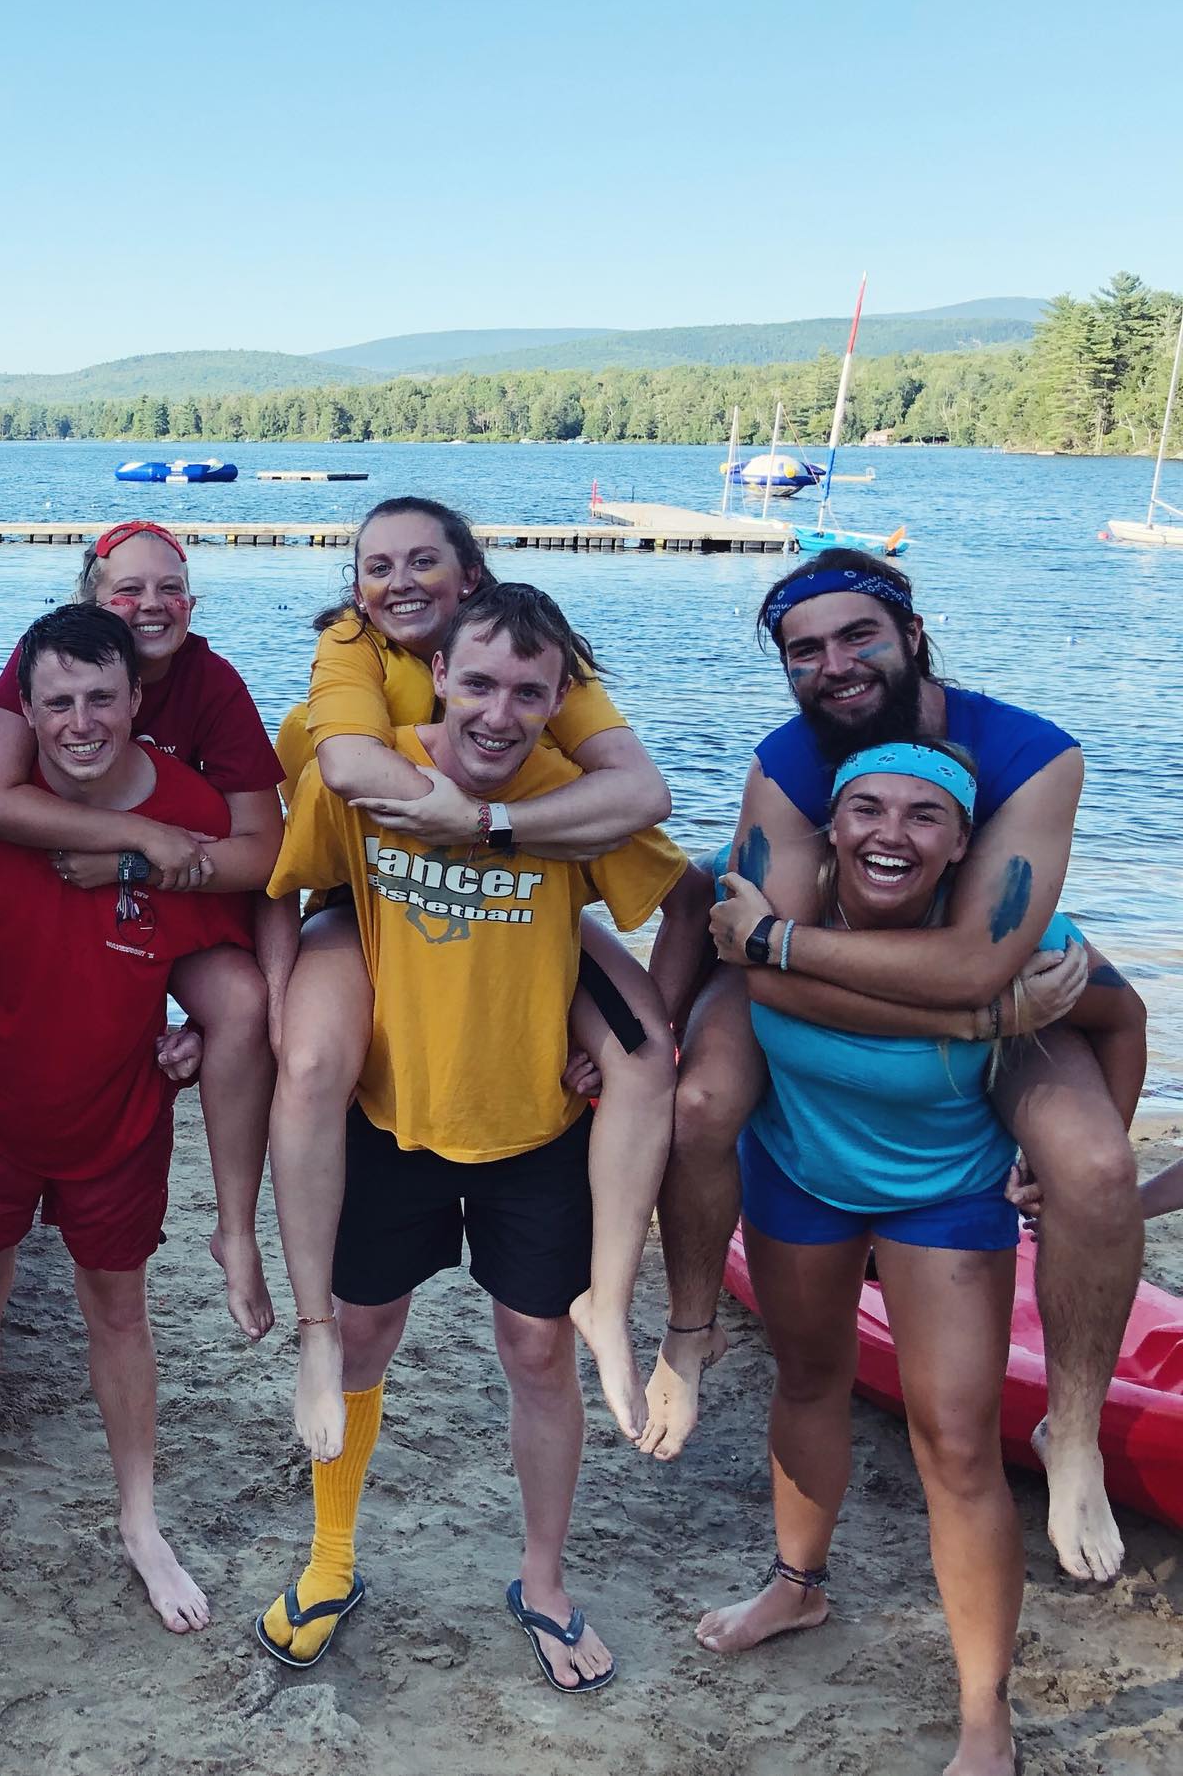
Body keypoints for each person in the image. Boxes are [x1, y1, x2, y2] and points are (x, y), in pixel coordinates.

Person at [649, 552, 1148, 1587]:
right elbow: (764, 973)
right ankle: (688, 1326)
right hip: (906, 996)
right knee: (700, 1098)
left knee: (1097, 1166)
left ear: (912, 635)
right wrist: (971, 1009)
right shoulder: (788, 763)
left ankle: (1072, 1430)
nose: (833, 665)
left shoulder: (1029, 754)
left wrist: (1038, 1144)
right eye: (803, 651)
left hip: (1001, 988)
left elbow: (985, 962)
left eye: (857, 636)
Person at [255, 583, 713, 1685]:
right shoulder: (369, 779)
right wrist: (278, 1012)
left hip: (533, 1131)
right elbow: (285, 884)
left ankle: (543, 1582)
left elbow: (686, 893)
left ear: (559, 700)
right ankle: (329, 1561)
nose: (499, 713)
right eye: (478, 684)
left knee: (536, 1350)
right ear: (438, 676)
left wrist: (629, 1031)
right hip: (392, 1117)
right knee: (363, 1333)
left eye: (528, 692)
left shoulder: (570, 795)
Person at [695, 742, 1143, 1776]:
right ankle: (795, 1588)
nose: (888, 834)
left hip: (944, 1195)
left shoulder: (1018, 940)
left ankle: (986, 1717)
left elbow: (1121, 1016)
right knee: (808, 1380)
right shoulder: (774, 909)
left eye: (922, 815)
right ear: (831, 824)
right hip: (798, 1174)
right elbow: (689, 943)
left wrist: (1066, 1170)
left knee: (957, 1443)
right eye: (865, 808)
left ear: (962, 843)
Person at [266, 497, 683, 1456]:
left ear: (471, 579)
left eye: (425, 562)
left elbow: (644, 797)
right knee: (313, 1062)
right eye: (377, 567)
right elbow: (342, 767)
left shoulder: (537, 664)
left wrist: (490, 826)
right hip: (363, 893)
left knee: (645, 1056)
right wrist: (275, 1002)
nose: (399, 582)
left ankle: (610, 1304)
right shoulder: (351, 648)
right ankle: (314, 1326)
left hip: (515, 884)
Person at [0, 604, 254, 1633]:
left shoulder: (187, 808)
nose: (81, 723)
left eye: (100, 699)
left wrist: (202, 1029)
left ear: (136, 698)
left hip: (117, 1113)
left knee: (118, 1310)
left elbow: (231, 941)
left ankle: (140, 1521)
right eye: (57, 704)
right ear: (23, 710)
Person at [0, 519, 285, 1341]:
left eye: (171, 589)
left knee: (242, 1003)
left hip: (152, 896)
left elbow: (263, 856)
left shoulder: (211, 683)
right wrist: (137, 837)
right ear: (90, 600)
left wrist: (132, 866)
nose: (151, 605)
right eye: (128, 590)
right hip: (41, 876)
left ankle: (236, 1231)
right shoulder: (47, 657)